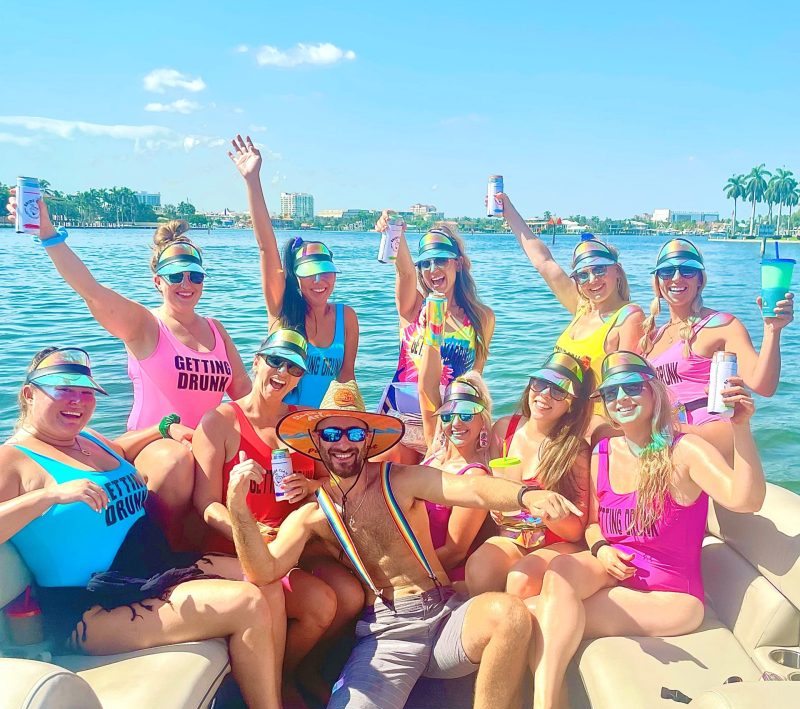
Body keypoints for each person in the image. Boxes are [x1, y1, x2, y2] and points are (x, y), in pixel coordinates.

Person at [228, 402, 583, 709]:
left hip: (444, 615)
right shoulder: (314, 514)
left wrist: (524, 496)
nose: (343, 443)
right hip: (387, 633)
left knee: (510, 615)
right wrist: (238, 508)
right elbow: (264, 570)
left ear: (368, 441)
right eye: (331, 434)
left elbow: (469, 489)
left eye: (354, 433)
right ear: (316, 443)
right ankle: (388, 705)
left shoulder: (401, 480)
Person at [0, 347, 315, 709]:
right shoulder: (13, 459)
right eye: (63, 391)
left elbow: (127, 448)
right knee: (246, 602)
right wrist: (46, 498)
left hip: (154, 574)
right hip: (91, 606)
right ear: (30, 394)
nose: (78, 401)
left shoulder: (87, 441)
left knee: (264, 577)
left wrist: (168, 429)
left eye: (86, 391)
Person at [515, 350, 766, 709]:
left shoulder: (684, 451)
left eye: (633, 387)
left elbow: (747, 498)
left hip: (671, 593)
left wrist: (741, 430)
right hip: (616, 572)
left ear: (654, 391)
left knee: (535, 612)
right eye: (612, 392)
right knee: (558, 573)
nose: (622, 398)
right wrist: (600, 549)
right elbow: (593, 526)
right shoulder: (605, 451)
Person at [5, 190, 251, 547]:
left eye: (195, 276)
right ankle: (164, 550)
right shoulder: (144, 325)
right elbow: (91, 291)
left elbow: (243, 392)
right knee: (175, 462)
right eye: (175, 275)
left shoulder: (216, 328)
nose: (186, 284)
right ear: (158, 281)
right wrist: (48, 233)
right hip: (157, 445)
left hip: (207, 448)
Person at [192, 328, 364, 709]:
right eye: (276, 361)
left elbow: (331, 483)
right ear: (256, 361)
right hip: (239, 549)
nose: (283, 372)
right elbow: (205, 506)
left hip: (293, 545)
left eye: (295, 368)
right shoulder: (220, 422)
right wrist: (249, 530)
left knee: (352, 596)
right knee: (321, 603)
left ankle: (302, 668)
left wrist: (313, 484)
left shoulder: (301, 424)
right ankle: (278, 685)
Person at [229, 134, 359, 407]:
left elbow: (346, 379)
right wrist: (252, 180)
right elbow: (266, 247)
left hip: (324, 431)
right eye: (310, 273)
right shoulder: (282, 310)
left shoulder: (345, 317)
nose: (319, 280)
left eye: (326, 272)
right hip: (281, 425)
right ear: (296, 277)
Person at [641, 237, 794, 458]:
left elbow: (763, 386)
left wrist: (772, 330)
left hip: (705, 437)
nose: (676, 278)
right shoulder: (653, 337)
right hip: (667, 437)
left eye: (687, 270)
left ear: (700, 280)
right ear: (657, 281)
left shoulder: (722, 325)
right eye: (667, 271)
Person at [498, 193, 643, 420]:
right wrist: (507, 211)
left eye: (600, 270)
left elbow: (631, 388)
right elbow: (544, 262)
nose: (592, 280)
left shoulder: (628, 317)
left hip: (594, 426)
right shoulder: (582, 307)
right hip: (558, 417)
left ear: (617, 270)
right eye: (582, 275)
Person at [466, 352, 593, 599]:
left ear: (572, 404)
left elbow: (576, 531)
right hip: (512, 537)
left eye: (558, 391)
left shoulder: (574, 451)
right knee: (478, 569)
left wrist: (551, 513)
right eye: (540, 383)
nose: (545, 394)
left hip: (555, 541)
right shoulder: (505, 429)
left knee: (520, 581)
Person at [376, 212, 496, 462]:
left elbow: (475, 379)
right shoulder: (413, 308)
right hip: (405, 420)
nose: (433, 270)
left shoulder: (480, 318)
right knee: (382, 469)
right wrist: (396, 232)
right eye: (425, 263)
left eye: (441, 260)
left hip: (452, 424)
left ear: (458, 263)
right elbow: (405, 274)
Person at [416, 309, 493, 588]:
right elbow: (426, 386)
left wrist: (406, 571)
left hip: (440, 577)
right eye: (448, 415)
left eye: (466, 415)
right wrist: (432, 332)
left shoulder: (476, 476)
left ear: (483, 419)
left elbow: (454, 551)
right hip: (413, 559)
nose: (455, 423)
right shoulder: (435, 451)